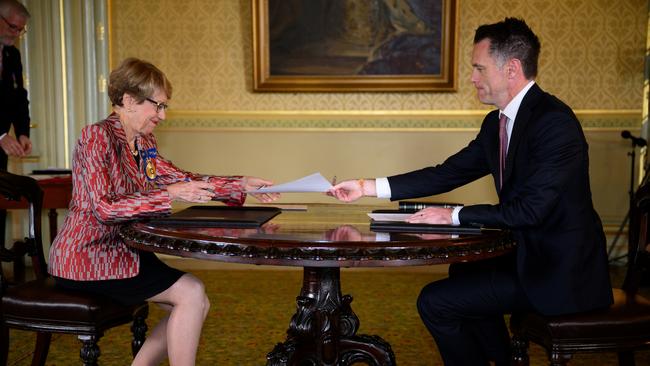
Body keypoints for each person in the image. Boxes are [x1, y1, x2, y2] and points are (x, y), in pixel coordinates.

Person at [329, 18, 613, 365]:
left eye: (479, 68)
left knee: (435, 301)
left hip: (560, 271)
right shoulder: (496, 123)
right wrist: (365, 187)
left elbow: (529, 211)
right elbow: (449, 172)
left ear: (511, 69)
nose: (472, 78)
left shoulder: (554, 123)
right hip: (531, 255)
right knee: (464, 271)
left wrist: (453, 215)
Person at [48, 57, 279, 366]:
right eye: (157, 106)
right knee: (192, 293)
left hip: (121, 250)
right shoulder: (96, 137)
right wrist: (166, 194)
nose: (163, 116)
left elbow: (181, 178)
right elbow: (104, 208)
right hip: (87, 256)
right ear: (129, 100)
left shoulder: (144, 142)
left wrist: (240, 184)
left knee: (195, 302)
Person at [0, 0, 31, 252]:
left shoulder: (12, 55)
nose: (16, 34)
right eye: (13, 27)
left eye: (21, 29)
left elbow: (19, 97)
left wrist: (22, 132)